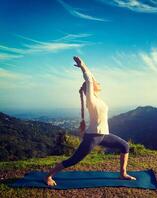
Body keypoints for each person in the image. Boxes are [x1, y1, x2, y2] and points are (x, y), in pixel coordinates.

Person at [44, 56, 136, 186]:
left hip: (103, 135)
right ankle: (48, 176)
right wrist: (82, 66)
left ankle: (123, 173)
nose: (97, 83)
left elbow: (91, 78)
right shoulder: (91, 100)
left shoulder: (98, 99)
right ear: (90, 89)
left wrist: (86, 66)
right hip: (93, 137)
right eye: (93, 84)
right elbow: (89, 79)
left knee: (124, 146)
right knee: (74, 160)